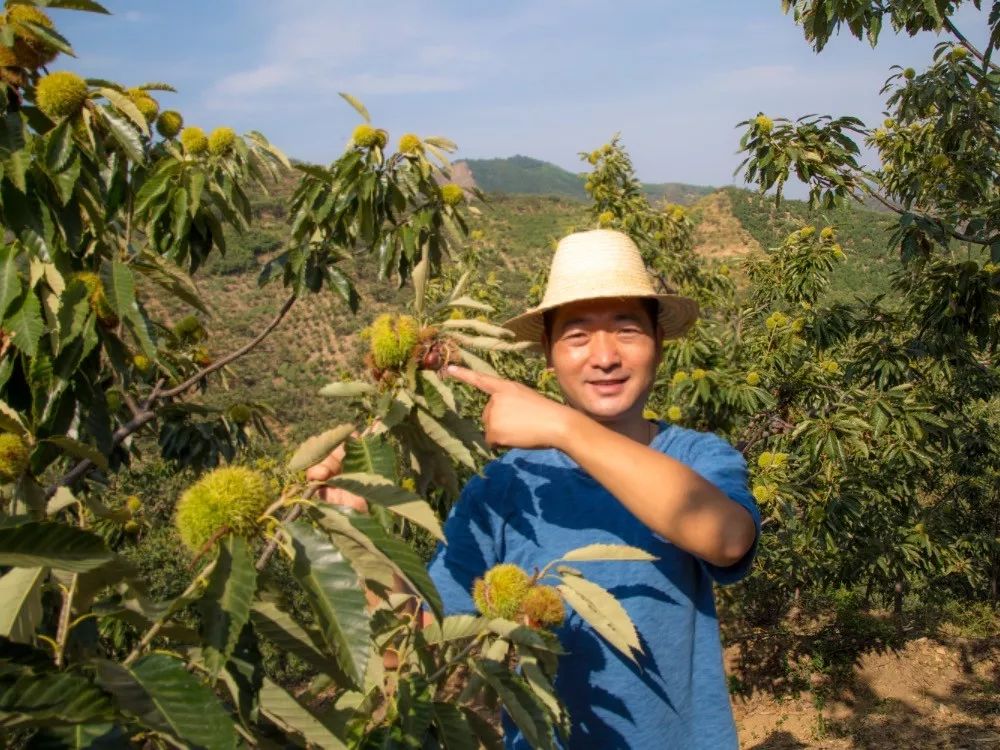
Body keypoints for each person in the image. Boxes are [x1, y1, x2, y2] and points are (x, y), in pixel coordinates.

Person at [309, 229, 760, 749]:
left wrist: (562, 427)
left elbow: (725, 537)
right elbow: (412, 646)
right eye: (577, 336)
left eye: (627, 329)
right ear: (548, 353)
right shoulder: (503, 487)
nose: (605, 355)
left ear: (659, 345)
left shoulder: (697, 458)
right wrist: (356, 538)